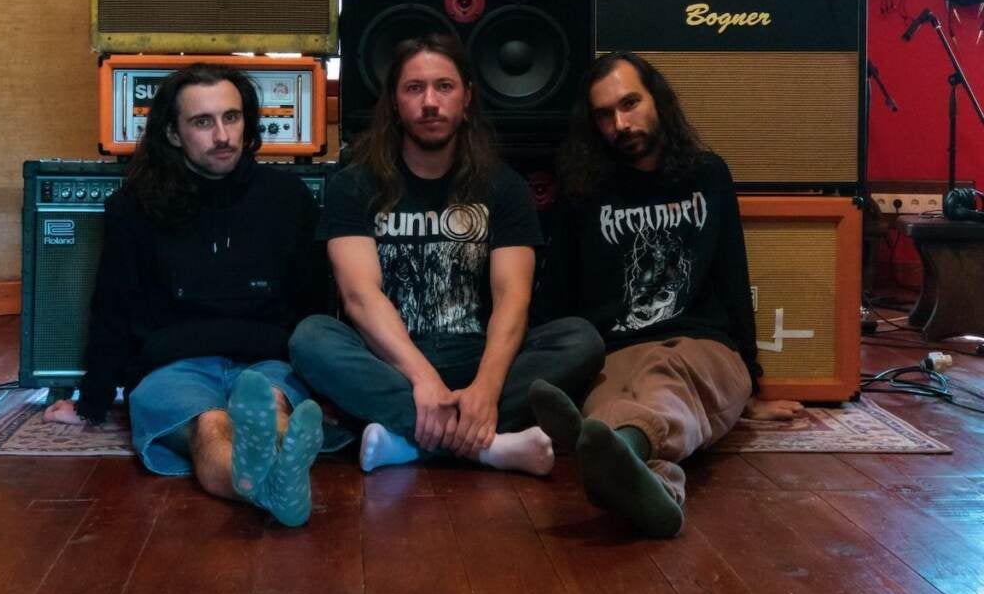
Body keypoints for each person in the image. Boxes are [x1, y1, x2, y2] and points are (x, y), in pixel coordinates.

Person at [290, 34, 604, 476]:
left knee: (580, 339)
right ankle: (486, 446)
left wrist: (487, 390)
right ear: (395, 103)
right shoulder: (354, 186)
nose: (430, 102)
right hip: (391, 364)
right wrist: (422, 379)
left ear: (467, 97)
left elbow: (514, 298)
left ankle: (408, 440)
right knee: (311, 338)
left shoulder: (503, 187)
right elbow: (359, 296)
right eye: (414, 88)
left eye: (444, 86)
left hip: (478, 358)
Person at [530, 51, 802, 537]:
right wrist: (555, 364)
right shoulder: (582, 192)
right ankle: (655, 485)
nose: (620, 122)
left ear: (658, 100)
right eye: (605, 115)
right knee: (609, 403)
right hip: (616, 350)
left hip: (703, 347)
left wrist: (753, 389)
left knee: (663, 375)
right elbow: (557, 291)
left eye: (630, 103)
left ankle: (616, 448)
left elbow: (733, 279)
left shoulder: (708, 175)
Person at [44, 63, 329, 527]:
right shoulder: (134, 206)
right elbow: (111, 304)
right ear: (174, 134)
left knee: (271, 408)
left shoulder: (288, 197)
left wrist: (328, 384)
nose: (222, 135)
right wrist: (92, 401)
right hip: (171, 365)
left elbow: (315, 300)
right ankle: (271, 489)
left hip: (267, 360)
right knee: (210, 426)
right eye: (203, 122)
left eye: (232, 118)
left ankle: (269, 485)